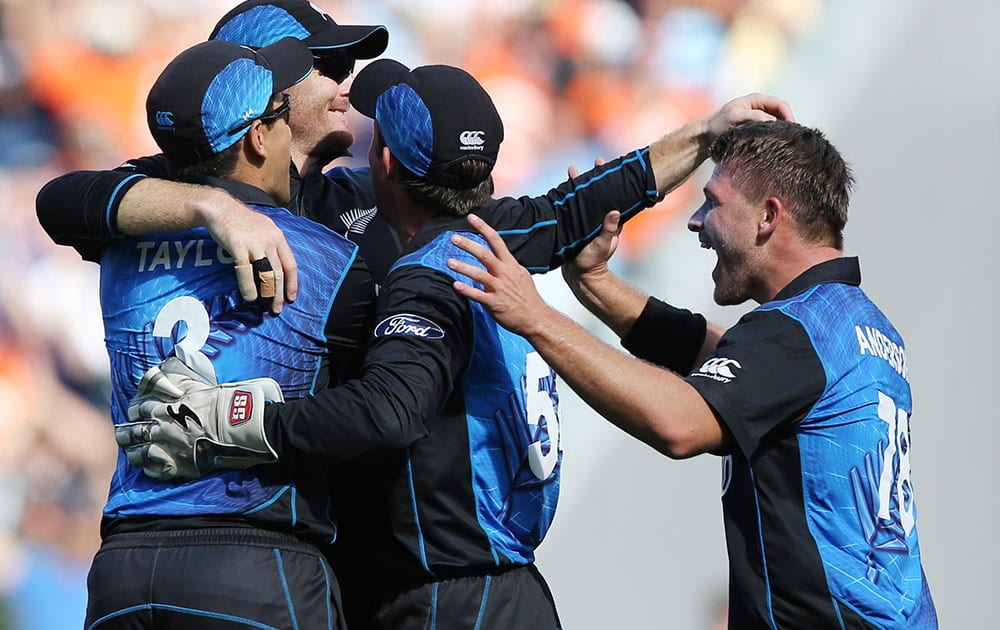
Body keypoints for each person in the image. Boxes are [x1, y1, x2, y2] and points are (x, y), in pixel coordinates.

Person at [116, 58, 794, 628]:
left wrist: (234, 422)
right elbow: (582, 202)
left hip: (446, 596)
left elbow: (388, 412)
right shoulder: (494, 243)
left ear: (383, 161)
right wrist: (705, 133)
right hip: (513, 591)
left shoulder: (425, 277)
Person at [445, 120, 938, 628]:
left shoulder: (796, 332)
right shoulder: (856, 322)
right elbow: (722, 356)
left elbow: (680, 424)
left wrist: (536, 317)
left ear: (767, 216)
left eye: (713, 203)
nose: (696, 222)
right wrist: (592, 282)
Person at [84, 37, 372, 629]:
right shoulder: (327, 257)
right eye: (280, 119)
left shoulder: (115, 243)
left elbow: (71, 200)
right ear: (258, 138)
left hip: (122, 569)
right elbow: (380, 409)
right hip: (253, 560)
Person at [35, 0, 397, 308]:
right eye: (332, 67)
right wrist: (216, 209)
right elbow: (59, 201)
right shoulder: (178, 185)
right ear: (255, 81)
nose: (349, 87)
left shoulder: (378, 192)